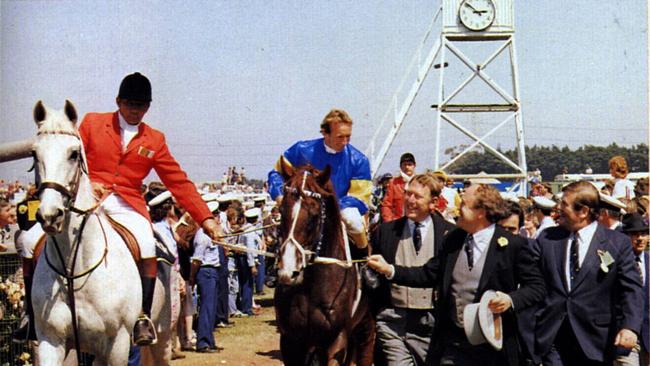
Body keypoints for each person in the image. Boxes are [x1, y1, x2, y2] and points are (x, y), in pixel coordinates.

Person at [69, 72, 222, 345]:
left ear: (148, 107)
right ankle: (32, 314)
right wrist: (88, 184)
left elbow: (179, 182)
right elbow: (72, 159)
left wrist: (206, 219)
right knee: (37, 238)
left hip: (127, 203)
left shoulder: (155, 139)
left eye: (141, 106)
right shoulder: (92, 122)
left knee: (146, 242)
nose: (135, 111)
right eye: (130, 104)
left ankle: (142, 316)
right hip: (90, 197)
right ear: (118, 101)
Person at [368, 183, 545, 366]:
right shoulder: (453, 240)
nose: (455, 208)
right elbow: (428, 274)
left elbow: (537, 288)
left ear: (480, 212)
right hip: (452, 345)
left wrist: (510, 299)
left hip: (492, 346)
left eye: (463, 204)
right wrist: (390, 270)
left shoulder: (512, 245)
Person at [535, 181, 643, 365]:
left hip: (596, 341)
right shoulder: (547, 238)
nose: (557, 209)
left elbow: (631, 288)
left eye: (564, 204)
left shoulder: (616, 243)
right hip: (553, 338)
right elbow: (533, 281)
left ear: (583, 211)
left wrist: (630, 326)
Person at [370, 174, 455, 366]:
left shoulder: (450, 234)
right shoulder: (385, 232)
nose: (410, 200)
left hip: (431, 323)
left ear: (433, 202)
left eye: (417, 196)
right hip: (393, 322)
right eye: (407, 194)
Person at [267, 109, 372, 248]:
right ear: (324, 133)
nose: (345, 142)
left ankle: (364, 256)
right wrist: (280, 195)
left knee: (352, 219)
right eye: (340, 137)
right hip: (304, 207)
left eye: (348, 136)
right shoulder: (301, 150)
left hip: (339, 209)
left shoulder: (359, 160)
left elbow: (360, 198)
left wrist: (329, 208)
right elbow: (275, 173)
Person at [614, 213, 649, 366]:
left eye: (644, 233)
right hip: (624, 337)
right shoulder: (614, 261)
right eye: (634, 234)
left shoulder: (648, 261)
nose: (640, 238)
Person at [381, 153, 417, 223]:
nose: (407, 167)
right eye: (404, 165)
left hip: (416, 222)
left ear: (414, 166)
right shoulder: (393, 183)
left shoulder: (421, 182)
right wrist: (390, 222)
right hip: (398, 223)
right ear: (400, 167)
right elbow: (386, 205)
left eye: (409, 164)